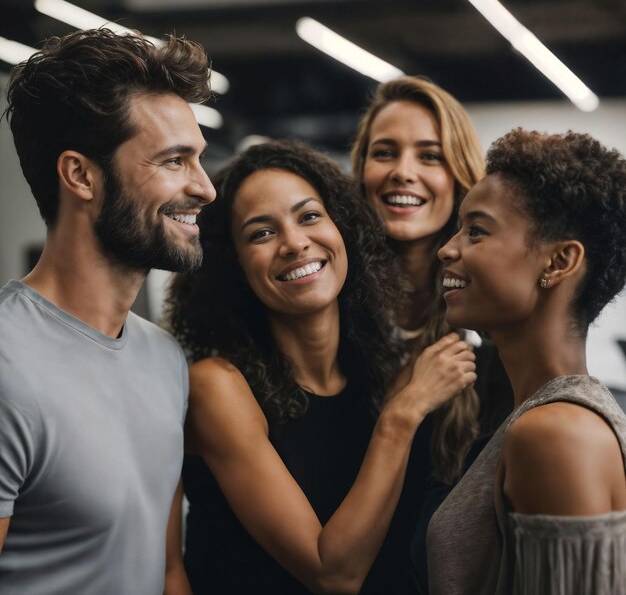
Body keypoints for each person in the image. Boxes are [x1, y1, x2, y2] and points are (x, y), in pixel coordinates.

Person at [164, 139, 476, 595]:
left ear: (342, 229)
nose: (294, 243)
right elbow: (333, 573)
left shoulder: (379, 373)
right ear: (234, 267)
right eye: (261, 233)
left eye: (309, 216)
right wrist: (402, 414)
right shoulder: (219, 387)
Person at [0, 28, 216, 594]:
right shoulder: (6, 367)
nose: (206, 188)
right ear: (80, 175)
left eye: (199, 159)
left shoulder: (163, 357)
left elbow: (166, 570)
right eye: (175, 161)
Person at [429, 128, 626, 594]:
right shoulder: (547, 417)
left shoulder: (554, 433)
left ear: (558, 262)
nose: (447, 248)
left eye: (476, 230)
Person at [350, 75, 513, 591]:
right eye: (385, 152)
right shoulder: (321, 315)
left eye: (429, 156)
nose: (403, 172)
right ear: (360, 173)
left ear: (460, 175)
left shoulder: (497, 335)